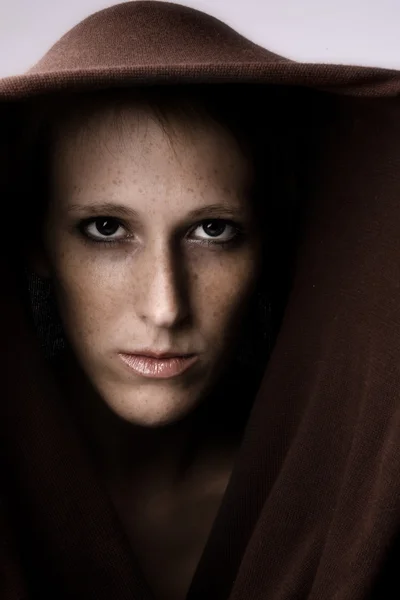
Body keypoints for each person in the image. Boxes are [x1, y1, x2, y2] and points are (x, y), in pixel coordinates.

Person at [0, 2, 399, 600]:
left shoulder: (356, 492)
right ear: (37, 241)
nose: (166, 306)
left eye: (212, 232)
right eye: (107, 229)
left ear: (267, 241)